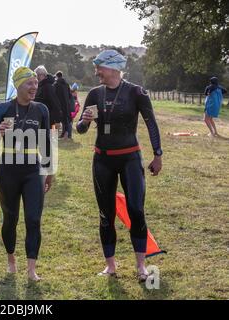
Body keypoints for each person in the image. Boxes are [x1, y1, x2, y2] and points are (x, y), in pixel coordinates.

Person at [76, 49, 163, 282]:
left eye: (99, 68)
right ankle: (110, 266)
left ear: (113, 68)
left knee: (136, 210)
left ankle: (141, 267)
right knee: (106, 214)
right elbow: (80, 129)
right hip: (103, 159)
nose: (96, 73)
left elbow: (151, 124)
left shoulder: (136, 92)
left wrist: (158, 155)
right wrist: (83, 122)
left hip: (130, 158)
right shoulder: (95, 94)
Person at [0, 66, 54, 281]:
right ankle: (11, 260)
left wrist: (49, 171)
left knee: (33, 219)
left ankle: (32, 269)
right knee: (11, 219)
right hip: (8, 170)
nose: (34, 87)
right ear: (18, 85)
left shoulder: (41, 109)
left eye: (35, 83)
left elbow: (46, 142)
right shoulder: (1, 109)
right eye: (29, 83)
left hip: (33, 171)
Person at [54, 71, 73, 139]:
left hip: (60, 104)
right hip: (67, 104)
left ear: (57, 76)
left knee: (62, 120)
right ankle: (68, 134)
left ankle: (65, 134)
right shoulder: (67, 84)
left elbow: (55, 95)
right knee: (67, 119)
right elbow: (70, 95)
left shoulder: (56, 84)